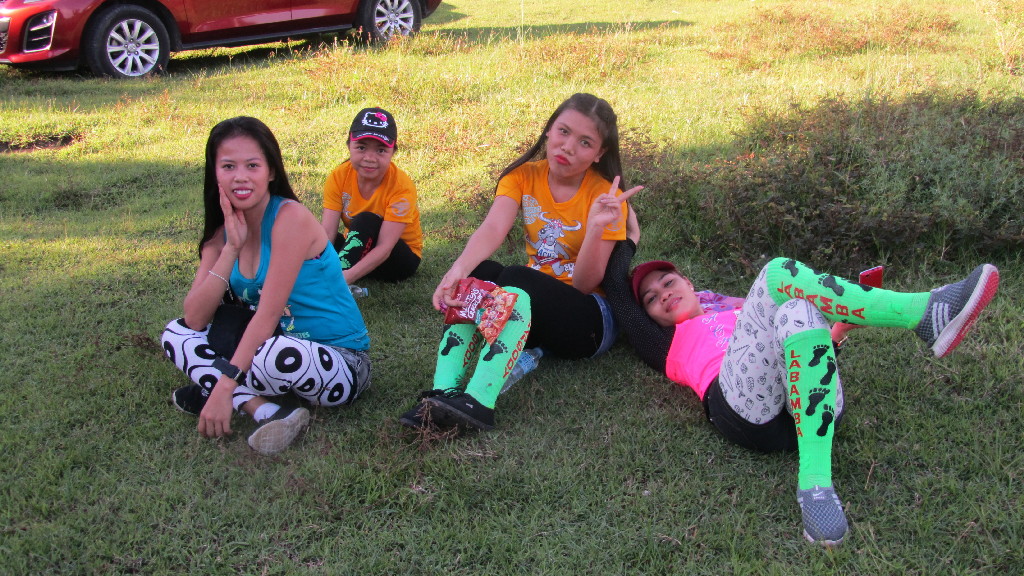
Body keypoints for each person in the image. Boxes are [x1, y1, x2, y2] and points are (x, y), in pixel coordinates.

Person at [603, 230, 999, 547]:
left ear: (689, 283)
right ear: (648, 316)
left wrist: (836, 334)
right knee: (778, 273)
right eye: (651, 299)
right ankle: (924, 312)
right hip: (744, 412)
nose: (663, 294)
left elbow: (806, 354)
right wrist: (625, 235)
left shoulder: (739, 310)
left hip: (812, 415)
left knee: (798, 308)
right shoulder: (664, 343)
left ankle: (816, 491)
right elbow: (617, 292)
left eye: (668, 282)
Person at [399, 93, 642, 433]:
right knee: (480, 275)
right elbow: (493, 229)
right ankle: (443, 393)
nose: (568, 147)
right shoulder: (523, 176)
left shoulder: (605, 199)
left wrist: (596, 227)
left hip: (589, 321)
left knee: (516, 279)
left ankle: (479, 401)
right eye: (564, 131)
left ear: (599, 153)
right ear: (549, 130)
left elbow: (586, 284)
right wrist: (457, 272)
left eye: (585, 142)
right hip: (533, 309)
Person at [161, 116, 371, 455]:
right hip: (266, 349)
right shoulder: (221, 234)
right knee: (175, 333)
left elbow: (267, 315)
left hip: (338, 361)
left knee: (271, 354)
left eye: (252, 165)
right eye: (228, 166)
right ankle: (265, 410)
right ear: (215, 173)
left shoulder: (290, 218)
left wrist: (223, 385)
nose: (240, 176)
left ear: (271, 171)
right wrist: (230, 248)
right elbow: (194, 319)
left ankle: (219, 389)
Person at [321, 107, 423, 285]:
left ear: (393, 152)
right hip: (356, 245)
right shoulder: (339, 176)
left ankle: (339, 277)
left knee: (366, 219)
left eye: (381, 150)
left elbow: (385, 247)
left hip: (397, 258)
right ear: (349, 146)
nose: (370, 158)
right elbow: (328, 232)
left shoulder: (402, 187)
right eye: (361, 147)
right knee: (313, 236)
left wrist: (345, 278)